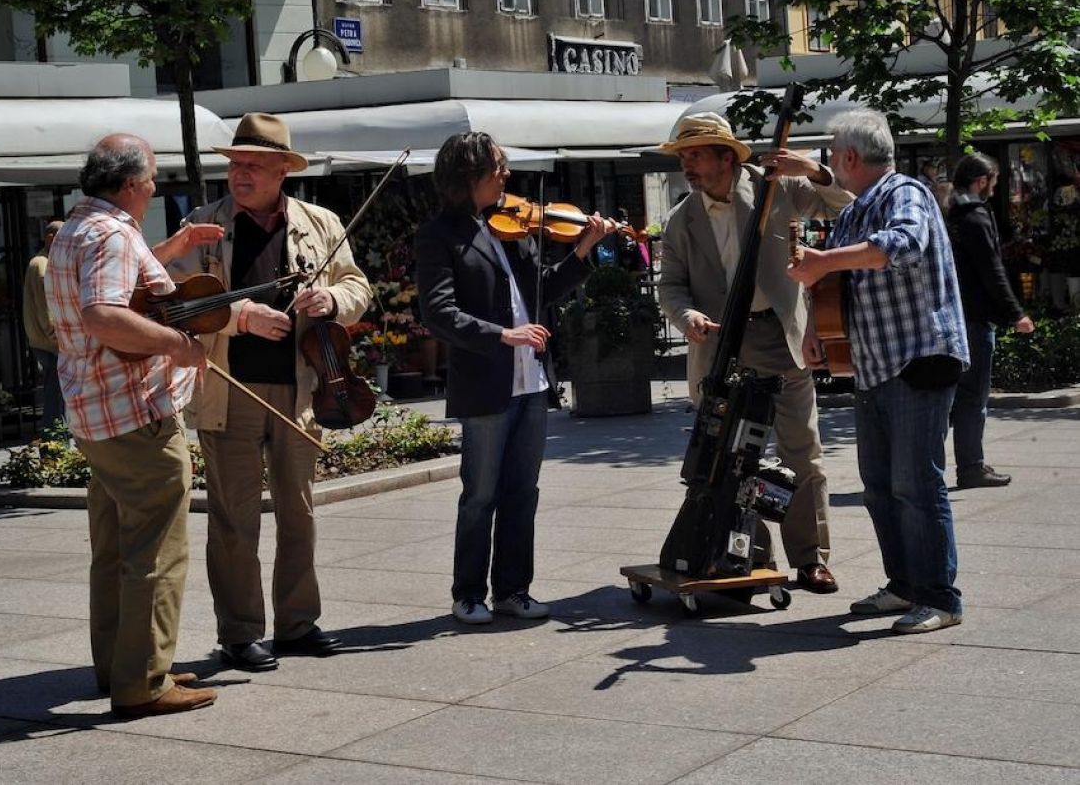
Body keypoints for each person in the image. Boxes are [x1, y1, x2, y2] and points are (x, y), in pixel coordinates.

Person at [167, 113, 372, 672]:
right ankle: (239, 633)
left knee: (299, 511)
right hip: (227, 387)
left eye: (254, 165)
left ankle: (298, 623)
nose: (240, 174)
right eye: (235, 164)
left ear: (284, 169)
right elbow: (177, 301)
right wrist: (241, 316)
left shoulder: (321, 222)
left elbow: (357, 286)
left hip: (303, 385)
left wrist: (331, 302)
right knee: (234, 519)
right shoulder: (204, 225)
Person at [46, 133, 224, 717]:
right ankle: (144, 681)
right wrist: (179, 345)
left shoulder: (76, 227)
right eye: (151, 178)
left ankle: (121, 664)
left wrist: (167, 251)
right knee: (157, 550)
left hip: (95, 413)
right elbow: (105, 315)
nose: (155, 186)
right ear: (128, 185)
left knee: (115, 547)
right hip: (135, 414)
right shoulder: (113, 233)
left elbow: (114, 292)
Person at [415, 131, 614, 625]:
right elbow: (438, 313)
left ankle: (513, 590)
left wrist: (584, 251)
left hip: (532, 383)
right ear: (469, 174)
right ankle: (468, 594)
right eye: (498, 166)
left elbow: (542, 293)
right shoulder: (440, 235)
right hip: (486, 382)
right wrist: (503, 334)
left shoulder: (514, 228)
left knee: (523, 492)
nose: (507, 175)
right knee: (480, 494)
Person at [788, 109, 969, 635]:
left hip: (918, 358)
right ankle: (904, 586)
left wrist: (824, 260)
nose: (831, 166)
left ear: (848, 157)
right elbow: (831, 283)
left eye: (832, 157)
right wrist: (813, 330)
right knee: (880, 486)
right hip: (874, 364)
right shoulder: (854, 210)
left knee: (917, 484)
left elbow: (900, 245)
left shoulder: (904, 193)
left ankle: (940, 596)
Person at [655, 112, 852, 595]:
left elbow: (845, 206)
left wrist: (814, 169)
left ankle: (810, 560)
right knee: (729, 459)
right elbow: (671, 287)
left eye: (695, 154)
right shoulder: (682, 218)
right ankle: (747, 556)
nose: (687, 165)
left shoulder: (774, 189)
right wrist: (687, 318)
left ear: (728, 157)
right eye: (683, 156)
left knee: (801, 455)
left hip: (780, 338)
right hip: (722, 346)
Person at [947, 152, 1035, 488]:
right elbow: (992, 271)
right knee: (972, 397)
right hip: (976, 321)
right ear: (980, 181)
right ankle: (971, 467)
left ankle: (931, 469)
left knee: (949, 397)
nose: (994, 191)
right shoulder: (976, 218)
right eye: (993, 183)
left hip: (953, 318)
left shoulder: (950, 215)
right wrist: (1016, 314)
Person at [22, 219, 65, 433]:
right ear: (51, 239)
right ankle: (55, 442)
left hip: (46, 341)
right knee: (56, 396)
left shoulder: (44, 262)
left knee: (56, 393)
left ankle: (56, 440)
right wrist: (60, 340)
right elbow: (46, 310)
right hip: (50, 343)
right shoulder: (42, 265)